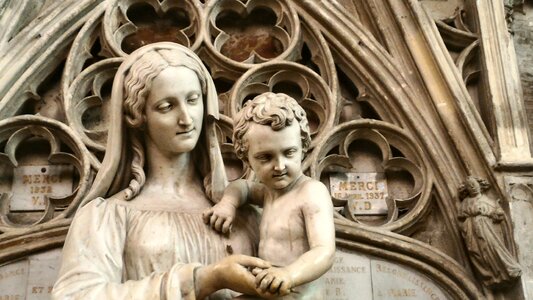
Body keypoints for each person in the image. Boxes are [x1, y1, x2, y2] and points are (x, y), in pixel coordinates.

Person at [52, 43, 268, 299]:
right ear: (138, 116)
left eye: (193, 100)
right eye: (167, 107)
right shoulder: (107, 217)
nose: (186, 119)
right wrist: (203, 280)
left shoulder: (245, 215)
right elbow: (76, 295)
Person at [203, 93, 336, 299]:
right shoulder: (268, 192)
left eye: (289, 152)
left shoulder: (311, 192)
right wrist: (228, 204)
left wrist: (289, 274)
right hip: (267, 288)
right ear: (245, 157)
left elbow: (324, 252)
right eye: (265, 157)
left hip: (297, 292)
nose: (279, 166)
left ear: (303, 147)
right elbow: (242, 188)